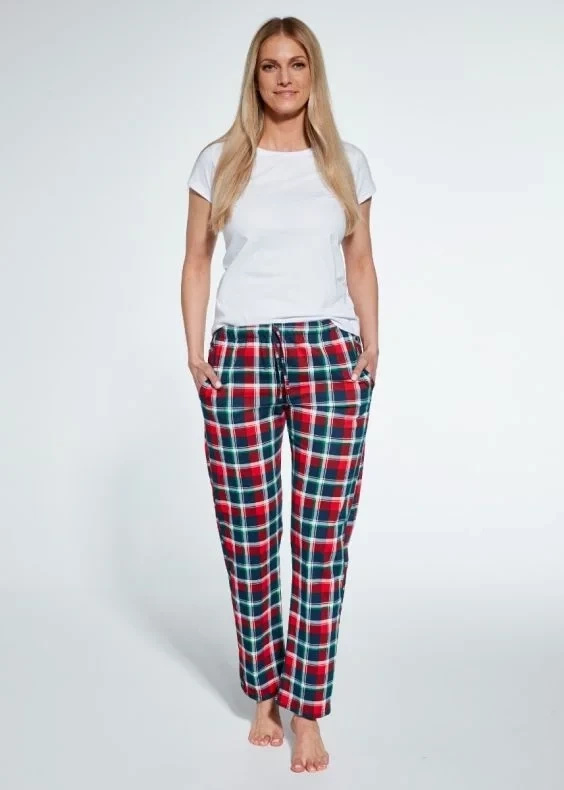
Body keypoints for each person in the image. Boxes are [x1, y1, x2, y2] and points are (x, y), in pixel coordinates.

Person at [181, 15, 379, 774]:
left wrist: (371, 346)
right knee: (249, 535)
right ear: (255, 76)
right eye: (271, 66)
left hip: (327, 354)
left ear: (313, 74)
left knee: (322, 540)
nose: (285, 78)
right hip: (240, 354)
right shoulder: (219, 161)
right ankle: (264, 689)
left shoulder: (346, 163)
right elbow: (196, 261)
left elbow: (360, 261)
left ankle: (308, 709)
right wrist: (195, 353)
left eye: (297, 64)